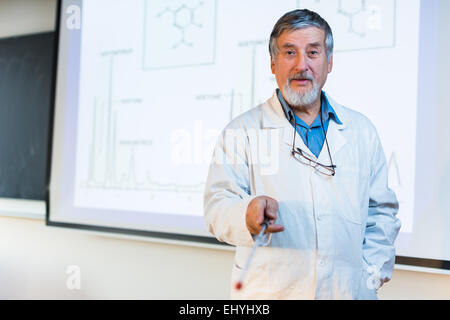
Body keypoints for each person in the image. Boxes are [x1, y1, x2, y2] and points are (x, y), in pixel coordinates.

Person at [203, 9, 401, 299]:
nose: (301, 65)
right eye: (289, 53)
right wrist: (246, 214)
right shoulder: (241, 132)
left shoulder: (361, 131)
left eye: (313, 52)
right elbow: (216, 208)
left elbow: (381, 212)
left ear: (329, 61)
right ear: (273, 62)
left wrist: (368, 276)